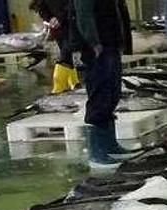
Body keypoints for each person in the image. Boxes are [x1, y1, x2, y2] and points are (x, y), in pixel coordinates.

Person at [70, 0, 135, 169]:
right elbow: (84, 16)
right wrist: (94, 43)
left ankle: (110, 145)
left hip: (110, 45)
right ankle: (98, 153)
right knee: (100, 96)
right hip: (98, 49)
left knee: (111, 94)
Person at [30, 0, 78, 93]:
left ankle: (64, 84)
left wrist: (59, 18)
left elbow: (72, 4)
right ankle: (69, 83)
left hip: (70, 22)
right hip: (59, 27)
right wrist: (49, 18)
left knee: (66, 53)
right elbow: (40, 5)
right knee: (66, 54)